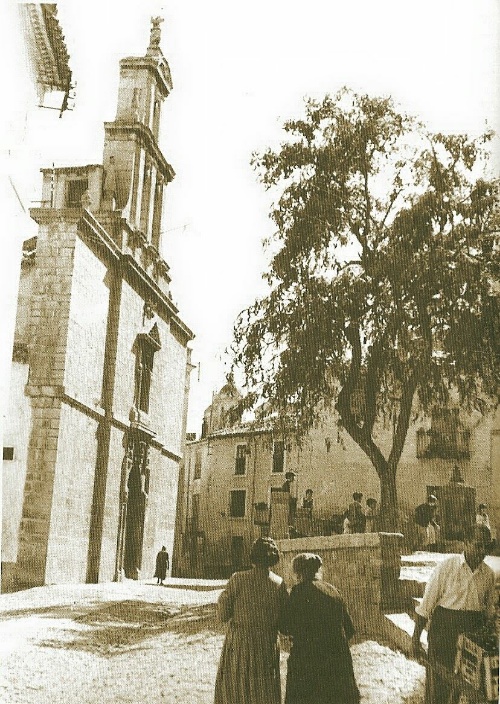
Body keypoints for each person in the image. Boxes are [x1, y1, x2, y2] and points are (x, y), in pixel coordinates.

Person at [412, 525, 496, 704]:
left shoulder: (488, 575)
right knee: (439, 687)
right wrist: (415, 638)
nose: (482, 551)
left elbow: (489, 611)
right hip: (444, 632)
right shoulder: (447, 568)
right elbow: (426, 606)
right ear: (465, 543)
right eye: (477, 545)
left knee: (466, 690)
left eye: (486, 547)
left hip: (471, 637)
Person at [214, 537, 288, 704]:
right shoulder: (279, 583)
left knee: (236, 689)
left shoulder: (237, 579)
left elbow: (222, 616)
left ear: (253, 555)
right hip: (266, 645)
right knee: (262, 691)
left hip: (239, 644)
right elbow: (284, 624)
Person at [281, 552, 360, 704]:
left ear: (299, 573)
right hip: (338, 659)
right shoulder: (333, 590)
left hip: (308, 660)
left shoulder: (298, 591)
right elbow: (349, 630)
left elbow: (285, 626)